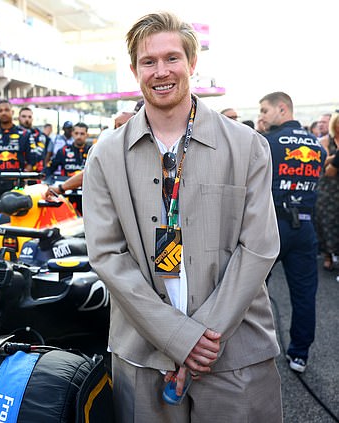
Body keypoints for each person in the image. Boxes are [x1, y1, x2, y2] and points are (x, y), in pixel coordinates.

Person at [83, 12, 282, 422]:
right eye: (148, 62)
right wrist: (177, 337)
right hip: (142, 356)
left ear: (192, 64)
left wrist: (202, 336)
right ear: (135, 70)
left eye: (172, 58)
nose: (161, 72)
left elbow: (259, 247)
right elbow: (107, 255)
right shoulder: (105, 155)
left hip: (234, 352)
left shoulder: (247, 146)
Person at [259, 91, 324, 374]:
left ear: (282, 109)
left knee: (253, 290)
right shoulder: (318, 148)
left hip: (272, 226)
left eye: (265, 110)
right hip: (305, 227)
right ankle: (299, 354)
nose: (261, 116)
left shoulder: (268, 143)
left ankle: (255, 349)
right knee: (304, 294)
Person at [0, 99, 34, 200]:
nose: (3, 113)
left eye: (6, 110)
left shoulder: (24, 134)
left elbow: (32, 161)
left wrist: (22, 179)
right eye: (0, 111)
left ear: (12, 112)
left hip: (17, 186)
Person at [313, 112, 339, 271]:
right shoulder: (324, 141)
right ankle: (328, 255)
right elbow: (322, 162)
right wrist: (336, 156)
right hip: (328, 188)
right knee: (327, 222)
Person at [18, 107, 47, 171]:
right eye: (24, 116)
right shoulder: (13, 133)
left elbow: (39, 153)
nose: (27, 119)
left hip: (35, 173)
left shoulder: (39, 134)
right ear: (18, 118)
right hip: (16, 171)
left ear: (32, 119)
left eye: (29, 117)